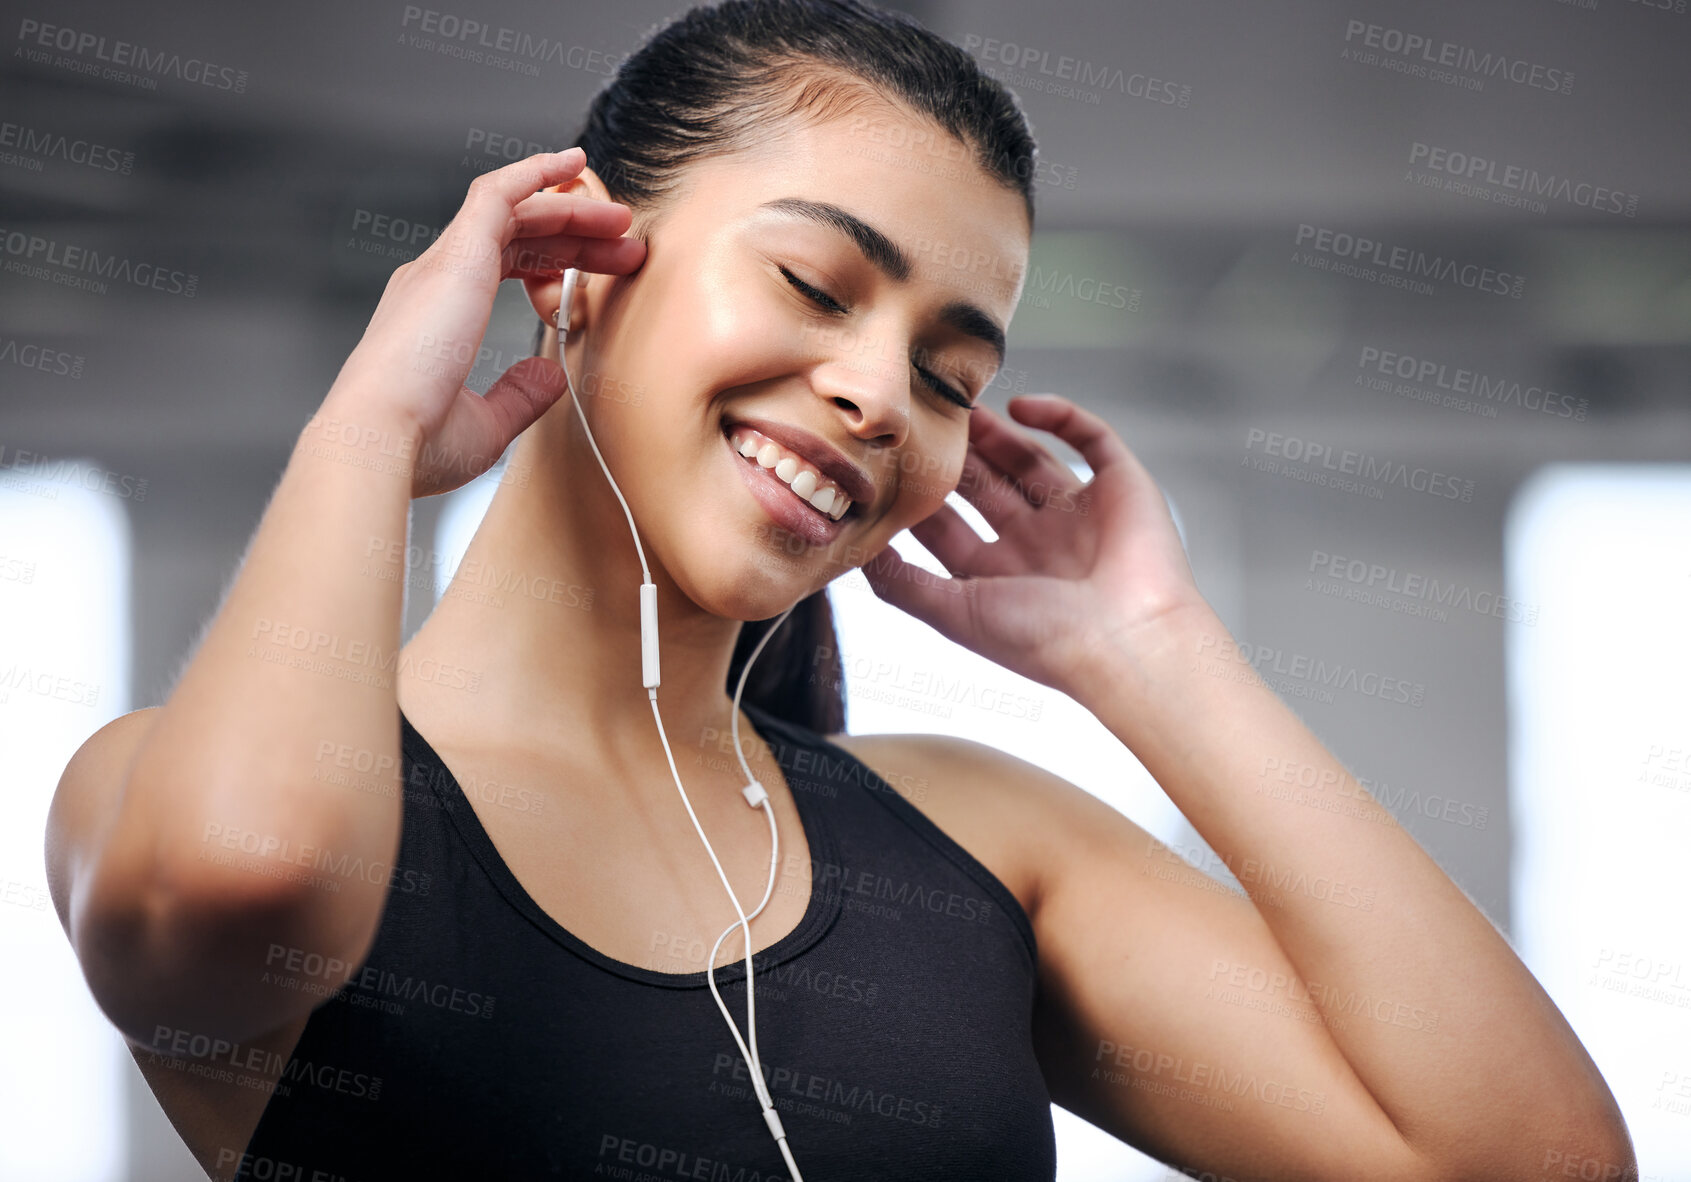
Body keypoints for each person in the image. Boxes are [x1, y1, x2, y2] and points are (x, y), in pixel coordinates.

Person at [45, 1, 1637, 1179]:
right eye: (815, 283)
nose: (882, 394)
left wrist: (1159, 656)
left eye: (952, 373)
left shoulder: (979, 847)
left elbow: (1532, 1166)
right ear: (574, 263)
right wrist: (367, 428)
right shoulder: (175, 791)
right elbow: (240, 883)